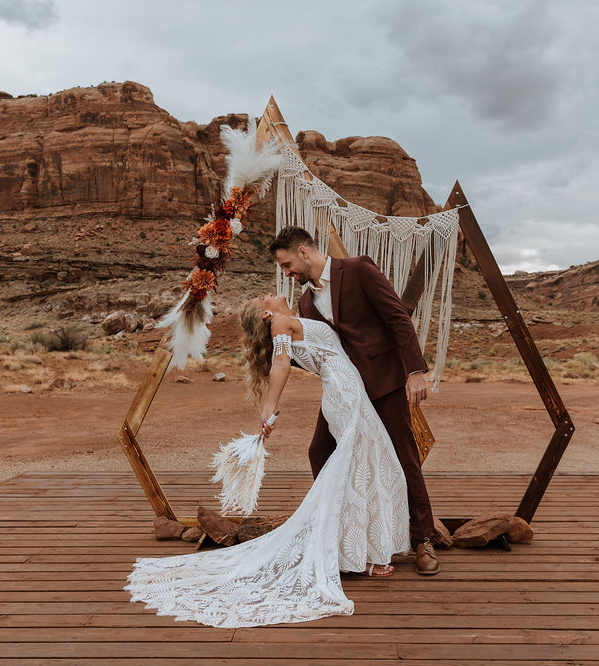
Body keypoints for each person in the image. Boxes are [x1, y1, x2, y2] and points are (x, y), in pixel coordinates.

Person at [125, 294, 410, 627]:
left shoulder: (295, 317)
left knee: (367, 465)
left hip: (349, 390)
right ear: (265, 312)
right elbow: (281, 363)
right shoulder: (279, 323)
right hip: (344, 395)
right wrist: (267, 409)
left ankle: (358, 549)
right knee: (354, 468)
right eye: (265, 297)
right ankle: (360, 557)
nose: (272, 293)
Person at [268, 227, 440, 575]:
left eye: (287, 265)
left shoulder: (359, 269)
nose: (286, 273)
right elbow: (313, 351)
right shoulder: (304, 303)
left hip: (384, 382)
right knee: (320, 451)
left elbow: (397, 318)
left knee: (404, 455)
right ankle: (343, 531)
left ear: (303, 252)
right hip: (345, 393)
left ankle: (422, 539)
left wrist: (415, 371)